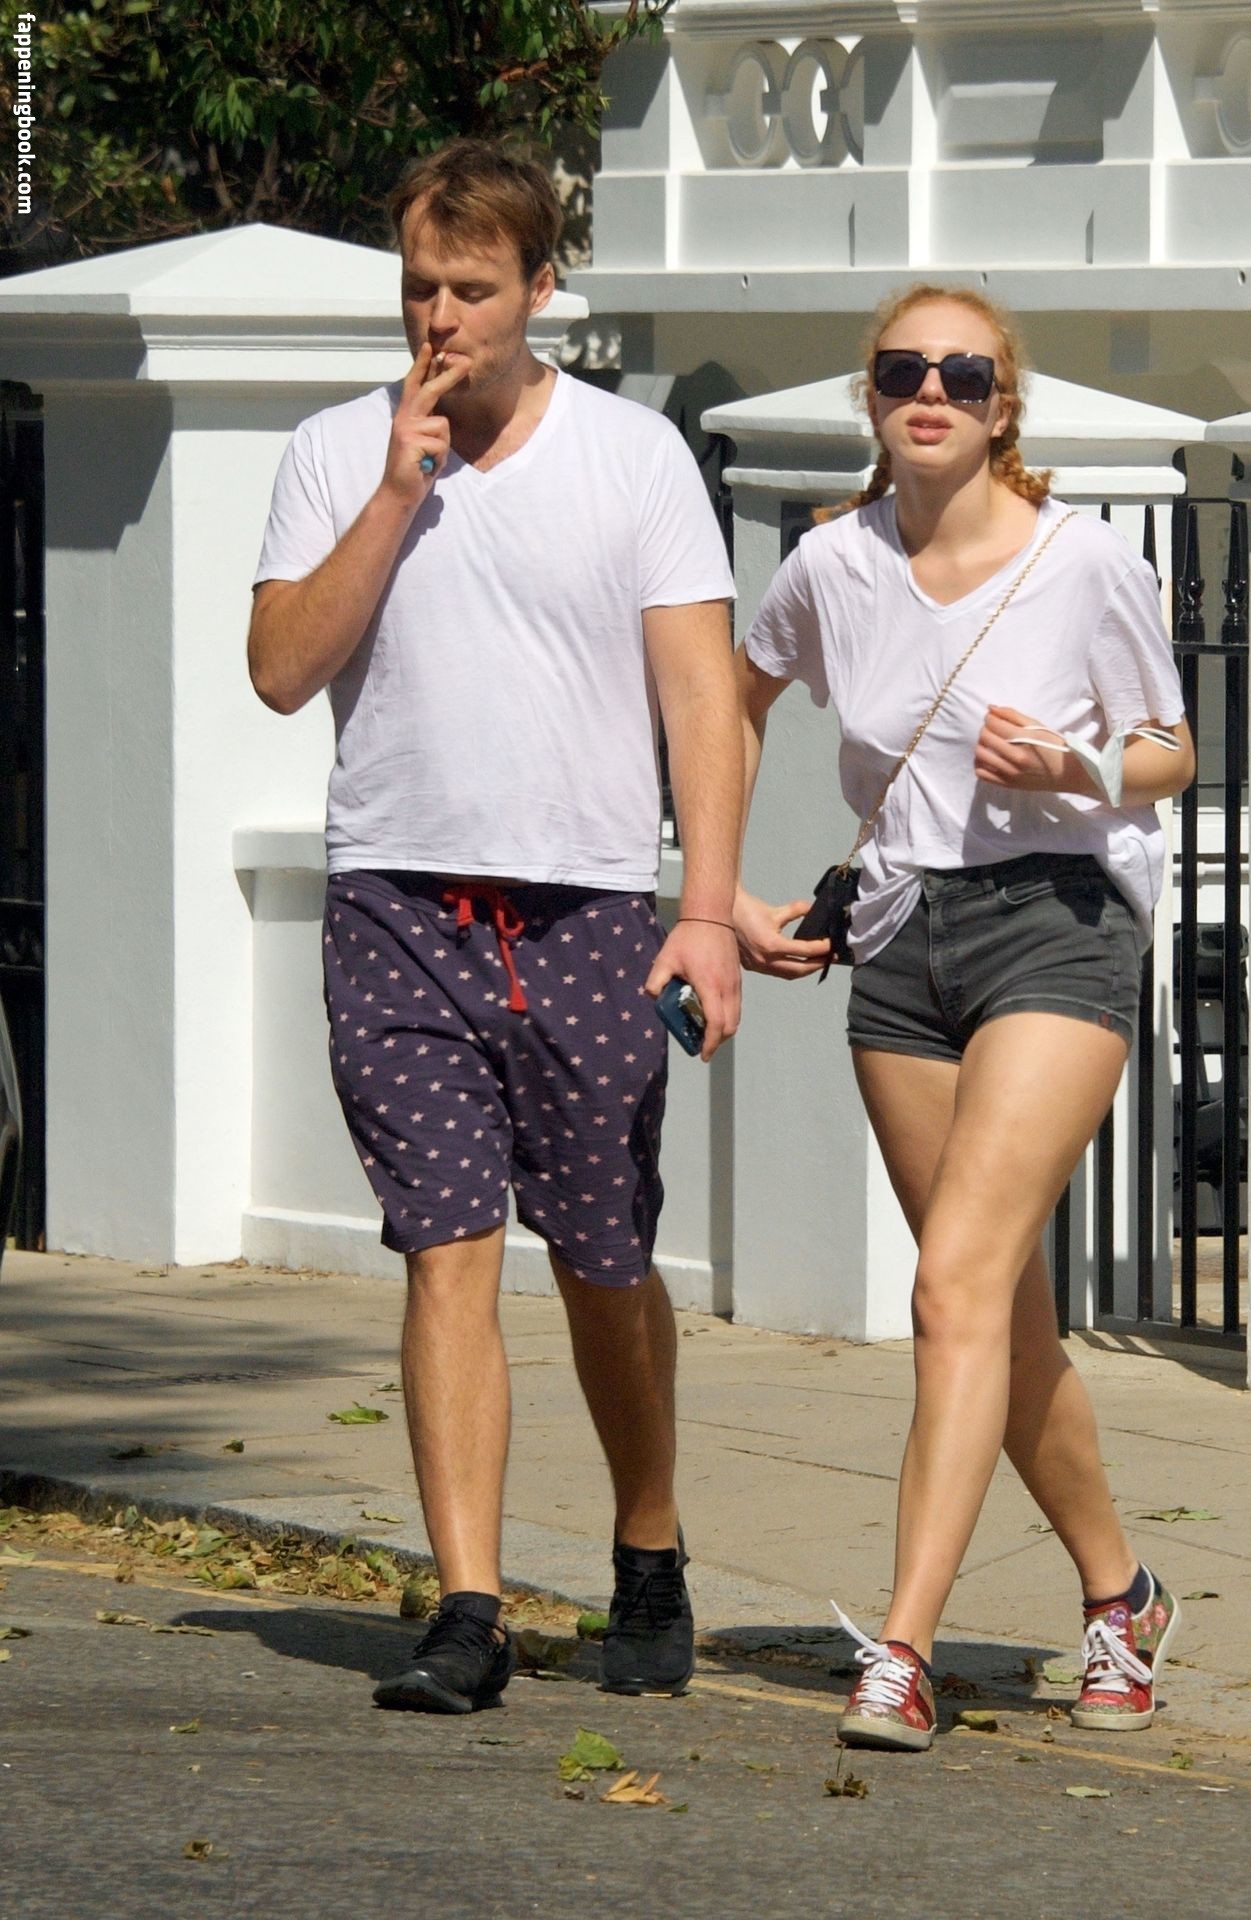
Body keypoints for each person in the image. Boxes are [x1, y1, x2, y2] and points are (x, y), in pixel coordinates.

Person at [247, 139, 743, 1712]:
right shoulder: (338, 453)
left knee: (602, 1258)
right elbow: (280, 670)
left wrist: (707, 912)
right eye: (419, 288)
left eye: (470, 289)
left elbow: (701, 701)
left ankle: (647, 1543)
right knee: (445, 1250)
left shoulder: (631, 459)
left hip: (587, 910)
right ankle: (468, 1605)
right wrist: (398, 491)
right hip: (396, 901)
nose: (439, 319)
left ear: (540, 289)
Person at [733, 283, 1197, 1752]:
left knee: (950, 1291)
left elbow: (1171, 749)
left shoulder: (1083, 561)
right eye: (900, 370)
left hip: (1056, 923)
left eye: (963, 374)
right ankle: (1121, 1597)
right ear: (870, 398)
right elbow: (726, 700)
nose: (929, 392)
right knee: (993, 1308)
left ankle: (905, 1648)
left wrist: (1077, 767)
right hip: (896, 945)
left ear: (1004, 409)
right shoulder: (830, 564)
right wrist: (713, 892)